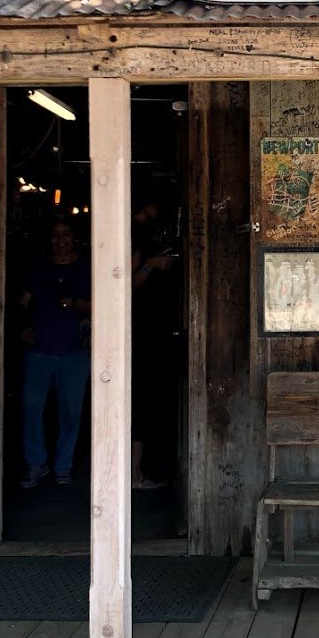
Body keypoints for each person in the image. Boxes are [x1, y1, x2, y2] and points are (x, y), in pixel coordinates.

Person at [19, 218, 91, 487]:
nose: (61, 240)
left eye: (66, 234)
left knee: (70, 413)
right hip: (38, 351)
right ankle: (36, 463)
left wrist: (76, 303)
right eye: (55, 234)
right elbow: (22, 303)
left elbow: (107, 303)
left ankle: (64, 465)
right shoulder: (38, 268)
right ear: (48, 239)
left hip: (75, 352)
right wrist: (21, 328)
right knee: (31, 409)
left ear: (75, 237)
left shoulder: (88, 267)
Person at [130, 196, 177, 489]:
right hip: (139, 330)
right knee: (141, 403)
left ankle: (138, 472)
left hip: (155, 329)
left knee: (148, 402)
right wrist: (151, 264)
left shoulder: (147, 231)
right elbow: (124, 284)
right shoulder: (133, 234)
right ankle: (134, 475)